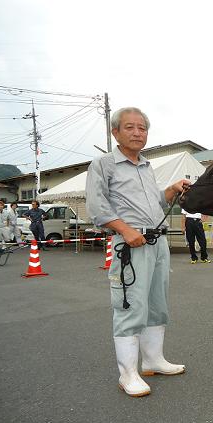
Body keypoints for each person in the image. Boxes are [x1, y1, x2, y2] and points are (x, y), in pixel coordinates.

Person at [86, 107, 190, 398]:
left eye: (142, 128)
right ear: (115, 132)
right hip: (129, 245)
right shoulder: (103, 164)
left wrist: (171, 189)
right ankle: (127, 373)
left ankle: (153, 361)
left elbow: (154, 202)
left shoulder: (146, 165)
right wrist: (125, 230)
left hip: (157, 242)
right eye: (130, 127)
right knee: (129, 305)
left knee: (157, 303)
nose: (137, 133)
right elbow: (97, 207)